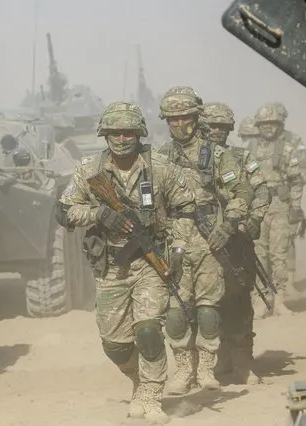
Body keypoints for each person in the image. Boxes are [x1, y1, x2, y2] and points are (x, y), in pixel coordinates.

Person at [56, 101, 195, 423]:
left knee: (148, 330)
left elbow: (186, 209)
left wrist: (177, 249)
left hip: (151, 262)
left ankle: (150, 393)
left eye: (128, 132)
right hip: (110, 267)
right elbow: (64, 211)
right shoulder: (89, 171)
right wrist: (99, 214)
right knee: (114, 345)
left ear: (139, 134)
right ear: (105, 136)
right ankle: (136, 378)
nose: (122, 139)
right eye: (115, 133)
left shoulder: (160, 168)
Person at [156, 87, 261, 394]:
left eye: (185, 118)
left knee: (210, 308)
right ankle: (183, 370)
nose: (179, 124)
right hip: (174, 245)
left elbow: (242, 193)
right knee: (175, 311)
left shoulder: (217, 156)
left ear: (195, 117)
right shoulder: (159, 157)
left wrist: (228, 225)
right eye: (172, 119)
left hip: (209, 245)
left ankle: (206, 368)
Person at [201, 102, 269, 384]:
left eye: (222, 126)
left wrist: (254, 217)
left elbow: (262, 189)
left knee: (239, 300)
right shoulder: (191, 159)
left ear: (229, 130)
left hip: (237, 241)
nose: (216, 131)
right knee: (206, 304)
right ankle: (218, 359)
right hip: (202, 244)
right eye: (211, 125)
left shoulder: (241, 158)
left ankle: (242, 362)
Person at [246, 102, 306, 318]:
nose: (268, 128)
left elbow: (297, 180)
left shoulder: (289, 146)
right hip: (257, 208)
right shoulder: (250, 148)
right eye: (264, 124)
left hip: (280, 207)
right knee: (257, 255)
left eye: (272, 123)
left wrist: (296, 208)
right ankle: (261, 301)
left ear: (280, 124)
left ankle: (280, 299)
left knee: (278, 255)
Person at [272, 102, 306, 291]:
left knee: (289, 238)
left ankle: (291, 279)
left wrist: (294, 195)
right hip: (269, 198)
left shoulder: (293, 140)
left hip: (287, 194)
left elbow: (303, 167)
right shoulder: (261, 142)